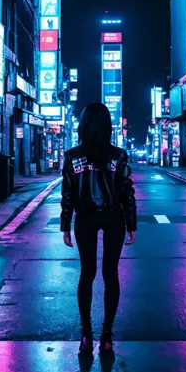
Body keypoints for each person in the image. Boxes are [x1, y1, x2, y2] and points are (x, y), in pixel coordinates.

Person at [60, 102, 137, 353]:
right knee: (110, 275)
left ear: (82, 126)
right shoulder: (119, 155)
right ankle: (106, 336)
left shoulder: (72, 156)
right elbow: (127, 191)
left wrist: (65, 225)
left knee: (87, 274)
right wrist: (131, 223)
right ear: (107, 127)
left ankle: (85, 335)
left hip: (85, 217)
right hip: (114, 217)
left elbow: (68, 193)